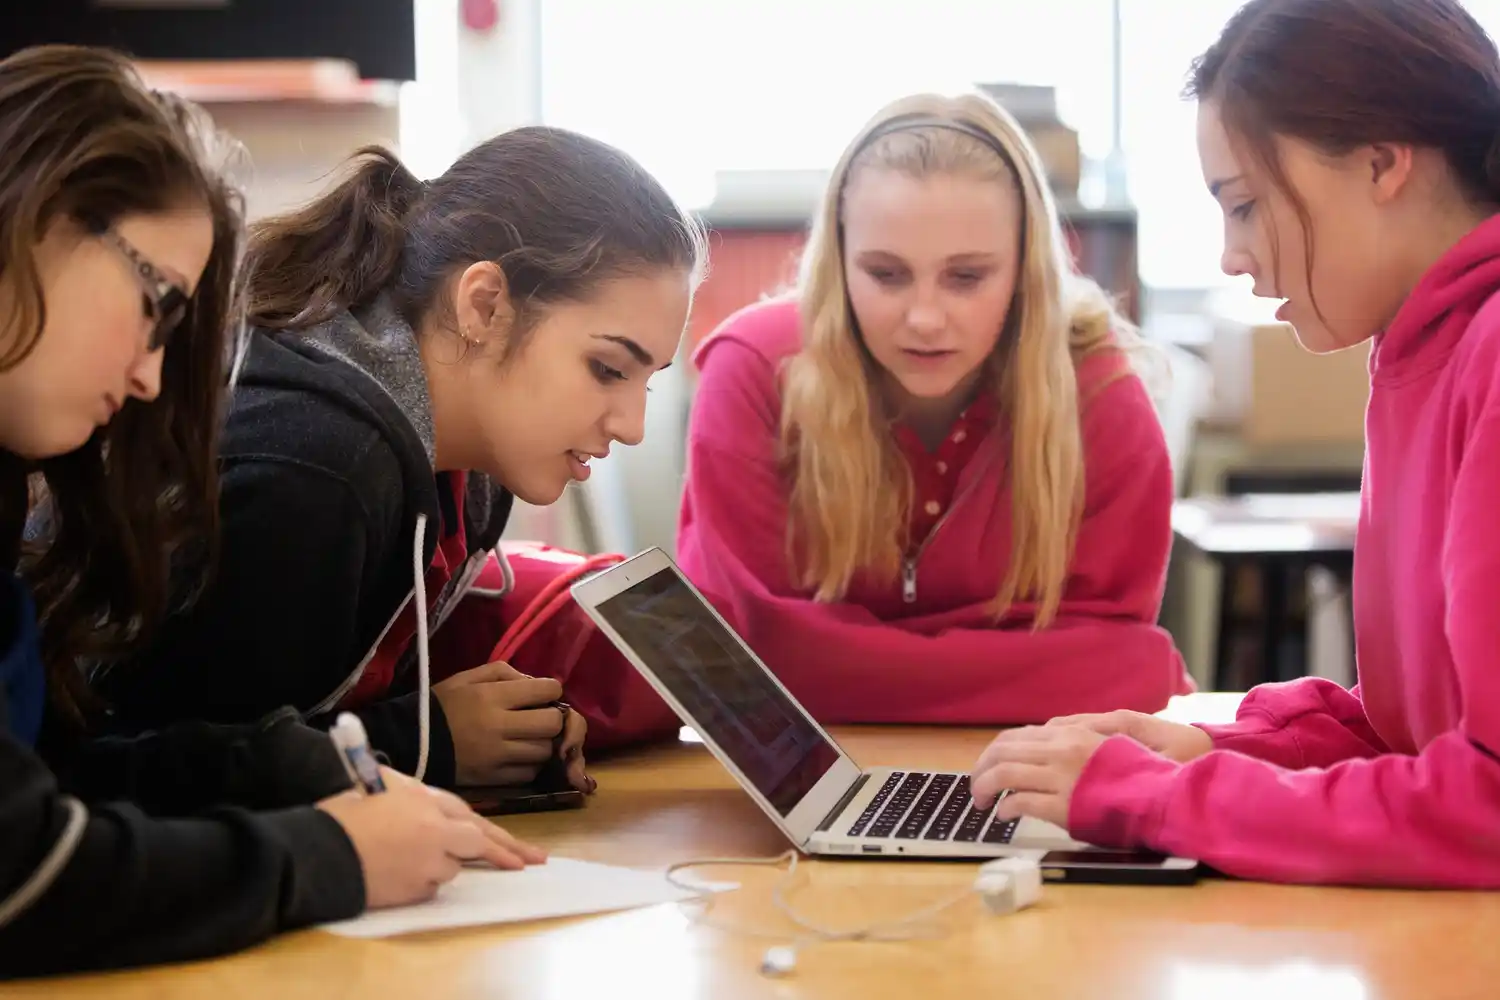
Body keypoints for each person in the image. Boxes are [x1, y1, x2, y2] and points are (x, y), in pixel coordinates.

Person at [0, 46, 543, 978]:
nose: (151, 376)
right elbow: (24, 876)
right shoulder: (323, 463)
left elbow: (46, 781)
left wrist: (288, 768)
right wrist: (331, 858)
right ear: (35, 214)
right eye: (154, 303)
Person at [970, 0, 1500, 889]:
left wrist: (1155, 797)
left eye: (1246, 205)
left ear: (1382, 163)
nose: (1231, 256)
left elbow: (1485, 804)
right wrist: (1212, 749)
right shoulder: (1420, 350)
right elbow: (1418, 737)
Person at [96, 126, 706, 789]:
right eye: (607, 368)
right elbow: (154, 773)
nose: (633, 426)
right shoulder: (323, 469)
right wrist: (423, 743)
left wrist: (488, 732)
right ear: (484, 307)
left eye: (647, 382)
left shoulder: (475, 471)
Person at [676, 92, 1192, 726]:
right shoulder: (753, 371)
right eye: (886, 275)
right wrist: (1032, 665)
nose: (924, 318)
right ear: (838, 261)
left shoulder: (1097, 388)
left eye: (966, 277)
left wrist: (832, 655)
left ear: (1025, 269)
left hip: (1023, 758)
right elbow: (737, 660)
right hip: (808, 761)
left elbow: (1119, 662)